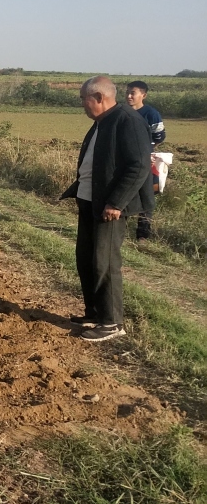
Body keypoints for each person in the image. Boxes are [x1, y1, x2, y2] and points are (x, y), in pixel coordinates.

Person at [60, 77, 150, 342]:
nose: (82, 105)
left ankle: (112, 323)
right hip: (90, 201)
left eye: (83, 99)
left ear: (98, 97)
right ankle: (95, 313)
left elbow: (138, 166)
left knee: (104, 262)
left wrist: (116, 202)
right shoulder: (102, 122)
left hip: (110, 207)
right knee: (86, 259)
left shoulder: (127, 121)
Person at [125, 80, 166, 243]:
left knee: (147, 196)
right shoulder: (121, 112)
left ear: (143, 95)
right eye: (127, 92)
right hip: (125, 161)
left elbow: (159, 136)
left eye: (132, 93)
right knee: (125, 194)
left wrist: (146, 150)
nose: (128, 96)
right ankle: (120, 228)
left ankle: (143, 235)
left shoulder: (151, 114)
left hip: (145, 162)